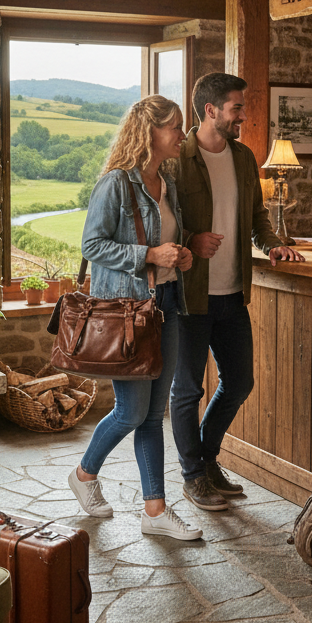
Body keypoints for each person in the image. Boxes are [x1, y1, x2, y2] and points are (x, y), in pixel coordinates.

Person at [67, 95, 202, 540]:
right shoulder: (116, 184)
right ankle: (85, 475)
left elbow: (167, 245)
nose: (181, 134)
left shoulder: (167, 184)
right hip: (129, 311)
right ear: (150, 133)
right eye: (175, 127)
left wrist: (179, 256)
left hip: (167, 307)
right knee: (130, 412)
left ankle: (155, 510)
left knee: (152, 415)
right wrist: (147, 254)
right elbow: (92, 245)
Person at [171, 72, 304, 511]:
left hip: (232, 294)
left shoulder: (245, 158)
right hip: (189, 295)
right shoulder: (178, 159)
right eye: (236, 108)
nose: (243, 116)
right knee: (187, 391)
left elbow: (256, 215)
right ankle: (193, 475)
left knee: (240, 381)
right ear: (210, 110)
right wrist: (191, 239)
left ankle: (207, 462)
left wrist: (274, 244)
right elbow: (160, 223)